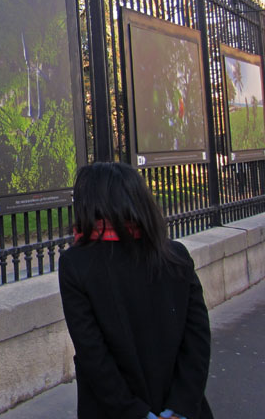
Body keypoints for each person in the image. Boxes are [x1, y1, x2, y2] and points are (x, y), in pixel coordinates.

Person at [59, 162, 213, 419]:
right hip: (181, 406)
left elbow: (92, 353)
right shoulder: (175, 255)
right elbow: (198, 338)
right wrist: (180, 406)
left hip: (114, 409)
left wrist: (134, 412)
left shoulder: (77, 263)